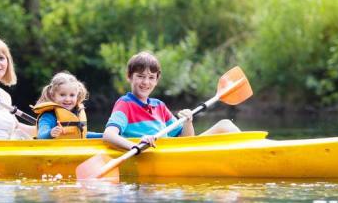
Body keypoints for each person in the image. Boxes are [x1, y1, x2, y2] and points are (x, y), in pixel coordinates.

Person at [102, 51, 239, 152]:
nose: (145, 82)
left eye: (151, 77)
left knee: (225, 124)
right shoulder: (125, 104)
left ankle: (257, 151)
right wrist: (135, 145)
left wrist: (188, 122)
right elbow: (109, 135)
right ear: (129, 77)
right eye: (140, 76)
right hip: (153, 152)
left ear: (157, 80)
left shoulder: (159, 106)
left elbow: (186, 140)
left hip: (175, 151)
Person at [32, 72, 102, 139]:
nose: (67, 99)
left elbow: (82, 134)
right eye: (62, 95)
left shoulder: (76, 113)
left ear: (77, 96)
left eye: (72, 95)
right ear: (53, 95)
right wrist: (50, 133)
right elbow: (41, 135)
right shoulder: (48, 116)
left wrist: (103, 135)